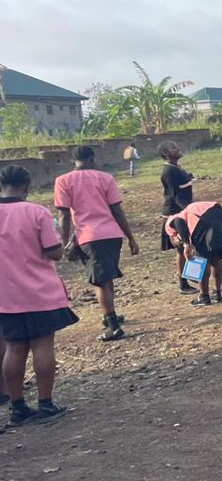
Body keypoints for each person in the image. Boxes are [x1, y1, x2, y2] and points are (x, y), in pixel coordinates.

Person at [0, 165, 77, 426]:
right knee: (42, 345)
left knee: (13, 347)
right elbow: (54, 252)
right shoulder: (36, 212)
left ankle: (18, 407)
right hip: (39, 292)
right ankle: (46, 403)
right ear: (27, 187)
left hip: (6, 295)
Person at [54, 146, 139, 341]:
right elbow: (117, 210)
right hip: (112, 235)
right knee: (106, 277)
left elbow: (64, 215)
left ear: (73, 160)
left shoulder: (63, 181)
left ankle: (113, 326)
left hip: (89, 237)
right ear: (93, 158)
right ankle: (110, 315)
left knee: (100, 282)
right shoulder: (105, 178)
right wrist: (131, 238)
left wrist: (65, 240)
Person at [166, 201, 222, 305]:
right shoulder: (189, 213)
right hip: (219, 214)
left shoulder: (172, 221)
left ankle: (204, 297)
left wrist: (186, 244)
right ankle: (217, 293)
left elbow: (178, 222)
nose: (176, 244)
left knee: (201, 258)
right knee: (215, 256)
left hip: (204, 219)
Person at [159, 141, 196, 294]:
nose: (178, 148)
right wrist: (189, 211)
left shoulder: (176, 169)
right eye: (173, 148)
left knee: (185, 248)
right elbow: (175, 196)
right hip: (175, 213)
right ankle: (184, 283)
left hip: (181, 211)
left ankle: (190, 279)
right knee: (181, 248)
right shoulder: (168, 172)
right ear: (167, 154)